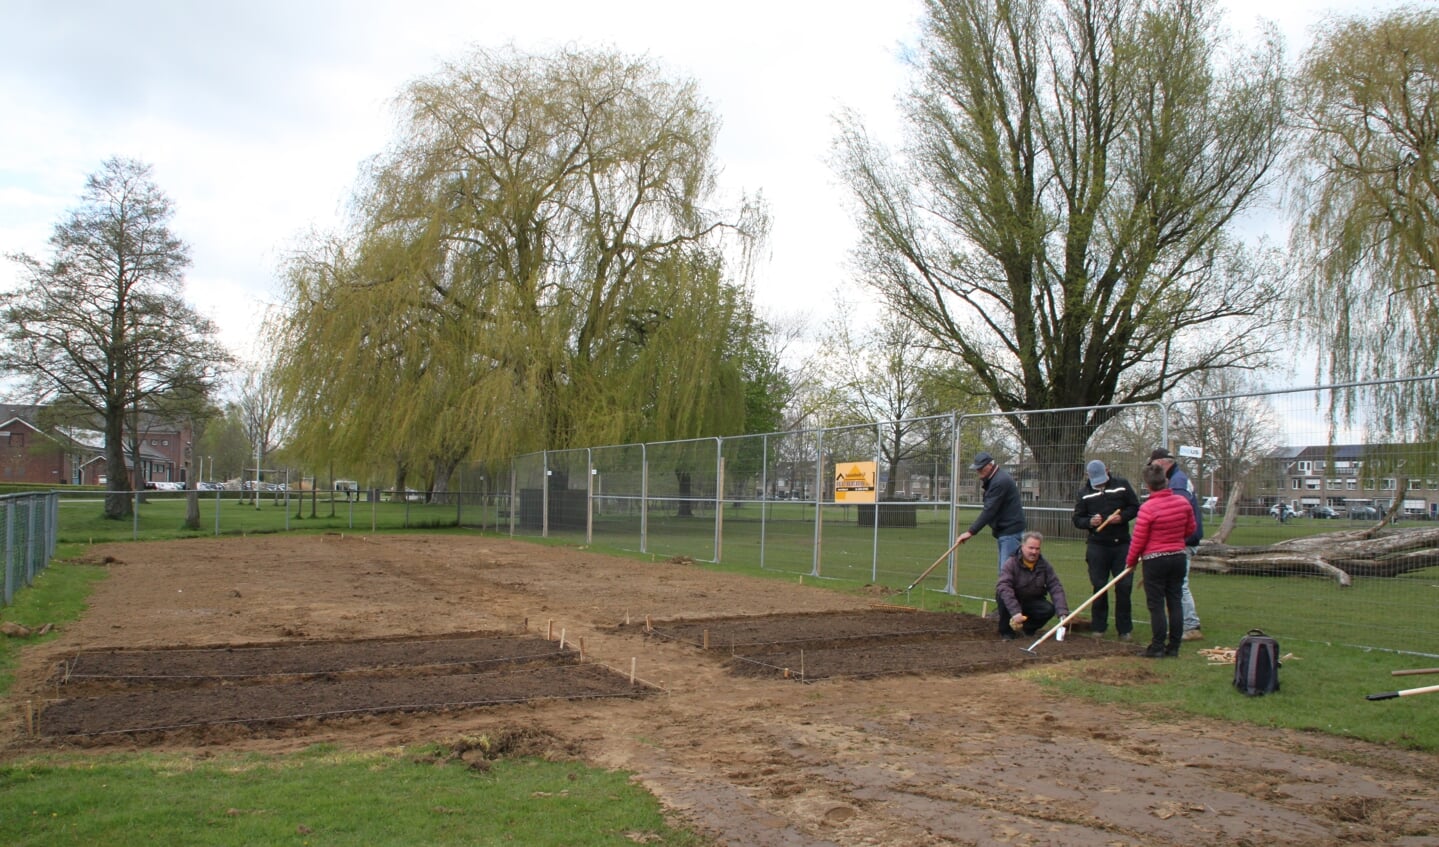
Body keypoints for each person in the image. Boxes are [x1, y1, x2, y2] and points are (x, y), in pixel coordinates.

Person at [1126, 462, 1197, 657]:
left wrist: (1131, 561)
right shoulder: (1183, 503)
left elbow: (1139, 540)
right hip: (1178, 557)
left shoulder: (1148, 508)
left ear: (1148, 486)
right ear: (1166, 482)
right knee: (1174, 601)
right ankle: (1173, 647)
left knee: (1156, 603)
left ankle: (1157, 646)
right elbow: (1191, 529)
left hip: (1155, 560)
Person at [1070, 459, 1140, 641]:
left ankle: (1124, 629)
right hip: (1097, 545)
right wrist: (1089, 522)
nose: (1100, 484)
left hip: (1121, 545)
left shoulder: (1121, 486)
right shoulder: (1084, 493)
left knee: (1124, 586)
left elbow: (1134, 507)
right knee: (1099, 586)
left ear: (1107, 471)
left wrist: (1122, 517)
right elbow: (1077, 519)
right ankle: (1099, 627)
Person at [1148, 448, 1205, 641]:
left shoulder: (1178, 481)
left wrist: (1173, 539)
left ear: (1163, 463)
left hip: (1182, 542)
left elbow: (1179, 512)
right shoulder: (1179, 477)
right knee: (1176, 586)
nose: (1153, 470)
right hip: (1180, 541)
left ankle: (1190, 625)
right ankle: (1182, 624)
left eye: (1154, 465)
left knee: (1180, 586)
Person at [956, 451, 1025, 574]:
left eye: (981, 468)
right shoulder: (995, 478)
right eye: (977, 468)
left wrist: (970, 532)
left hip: (1010, 532)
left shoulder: (999, 481)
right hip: (1005, 531)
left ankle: (1008, 593)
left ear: (990, 465)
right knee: (1007, 572)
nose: (978, 471)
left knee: (1006, 574)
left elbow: (989, 510)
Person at [995, 531, 1070, 640]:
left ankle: (1027, 629)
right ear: (1022, 546)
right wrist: (1015, 612)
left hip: (1032, 600)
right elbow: (1004, 587)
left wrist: (1062, 612)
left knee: (1048, 609)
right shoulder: (1011, 563)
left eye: (1037, 549)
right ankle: (1006, 632)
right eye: (1031, 548)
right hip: (1013, 601)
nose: (1034, 552)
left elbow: (1055, 587)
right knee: (1002, 596)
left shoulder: (1044, 565)